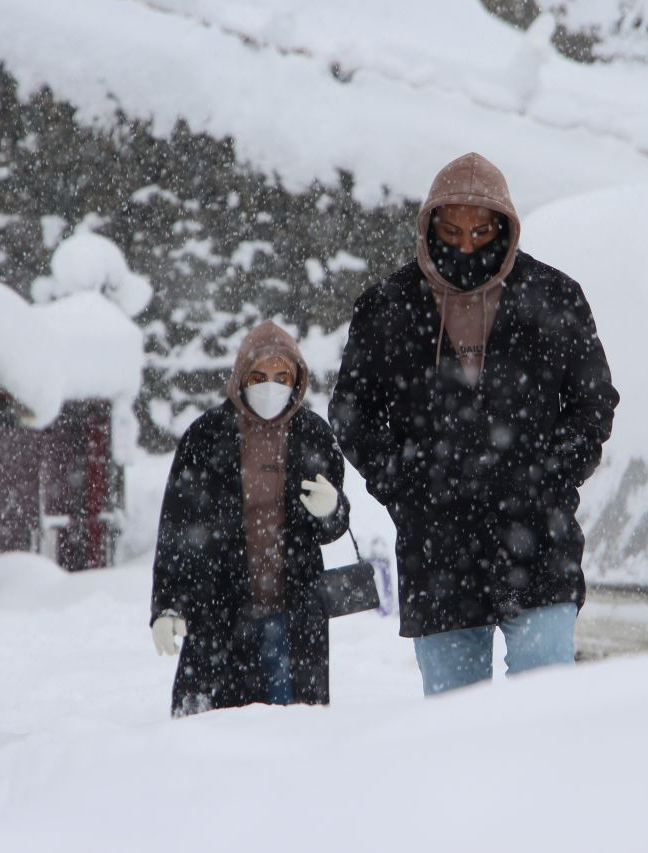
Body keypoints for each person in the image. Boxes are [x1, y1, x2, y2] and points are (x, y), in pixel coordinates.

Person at [329, 152, 619, 695]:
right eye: (451, 229)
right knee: (452, 726)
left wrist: (550, 476)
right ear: (429, 224)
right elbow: (352, 412)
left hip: (539, 541)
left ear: (505, 226)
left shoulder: (554, 296)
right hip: (437, 549)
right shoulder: (388, 306)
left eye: (481, 231)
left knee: (546, 705)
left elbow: (593, 404)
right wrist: (404, 483)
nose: (465, 245)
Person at [150, 321, 350, 716]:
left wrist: (333, 509)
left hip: (294, 614)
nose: (270, 385)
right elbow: (177, 527)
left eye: (281, 376)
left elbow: (332, 529)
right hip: (219, 611)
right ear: (241, 376)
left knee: (294, 734)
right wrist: (168, 605)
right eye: (258, 376)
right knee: (215, 742)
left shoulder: (313, 435)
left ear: (297, 379)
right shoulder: (206, 436)